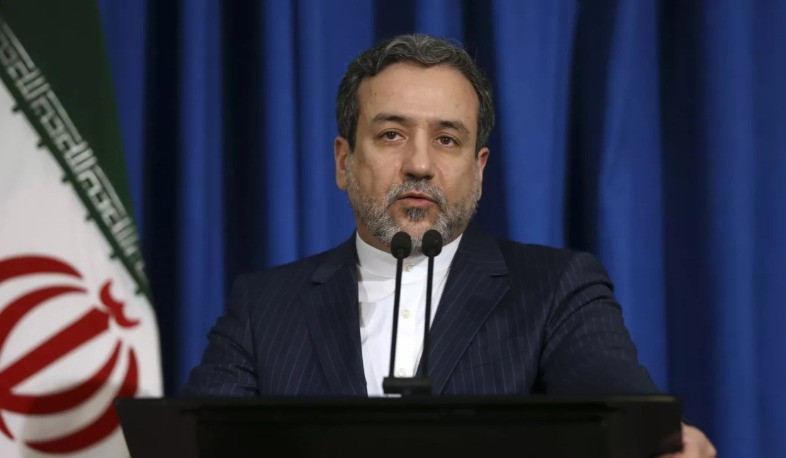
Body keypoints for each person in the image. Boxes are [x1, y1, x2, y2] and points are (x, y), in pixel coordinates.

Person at [185, 34, 715, 457]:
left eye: (446, 139)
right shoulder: (263, 307)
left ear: (479, 171)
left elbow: (622, 405)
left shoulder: (556, 290)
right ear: (344, 161)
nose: (419, 164)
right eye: (392, 134)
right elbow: (192, 445)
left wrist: (664, 439)